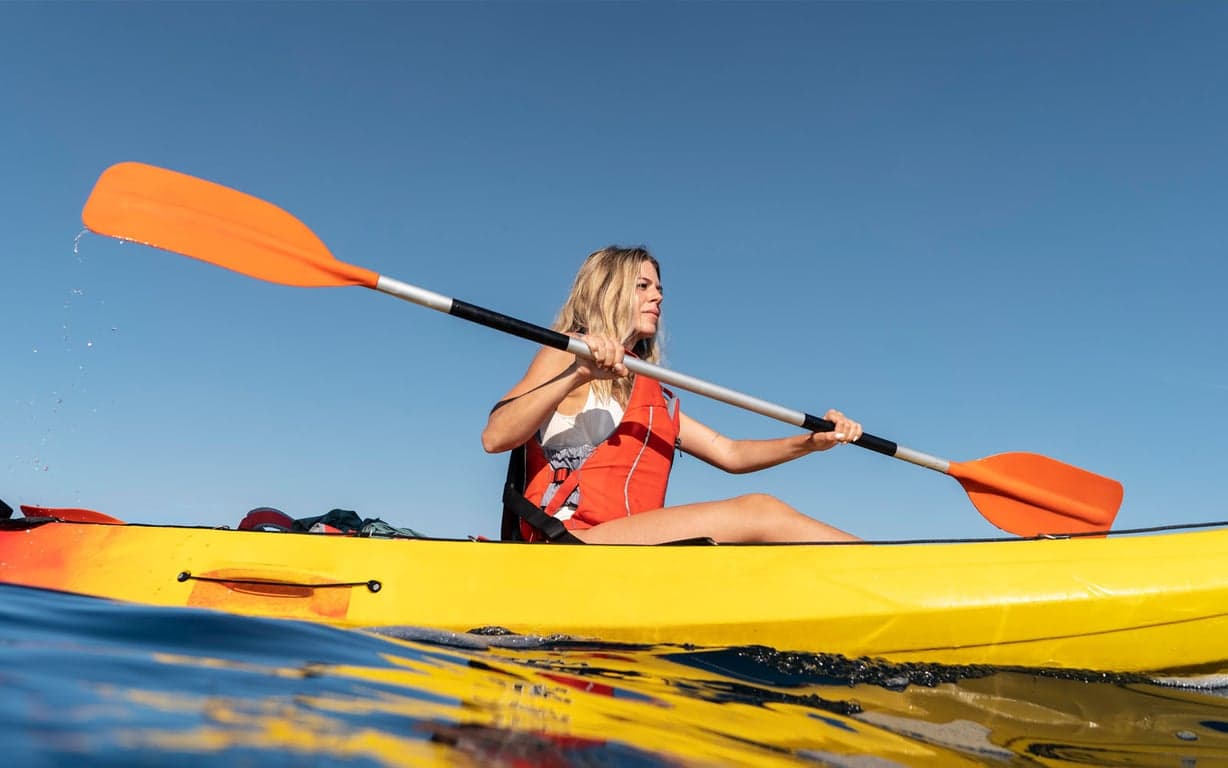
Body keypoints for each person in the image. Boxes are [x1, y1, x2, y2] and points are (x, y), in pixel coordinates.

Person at [482, 246, 861, 544]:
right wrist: (578, 374)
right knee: (759, 511)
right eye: (643, 286)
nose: (658, 297)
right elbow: (496, 436)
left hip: (626, 550)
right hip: (570, 542)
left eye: (660, 288)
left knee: (757, 529)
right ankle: (900, 572)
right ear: (607, 290)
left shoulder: (653, 398)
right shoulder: (567, 352)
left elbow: (731, 453)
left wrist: (812, 442)